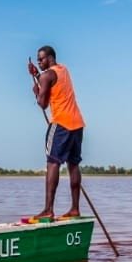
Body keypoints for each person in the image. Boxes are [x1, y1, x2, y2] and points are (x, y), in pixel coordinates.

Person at [26, 44, 85, 219]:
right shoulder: (63, 69)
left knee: (53, 163)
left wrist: (36, 91)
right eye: (38, 60)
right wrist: (36, 75)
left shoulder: (46, 76)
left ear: (50, 58)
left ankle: (48, 210)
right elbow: (52, 83)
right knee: (73, 164)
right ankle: (75, 208)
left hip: (60, 124)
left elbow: (43, 103)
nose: (39, 61)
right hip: (77, 124)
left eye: (41, 59)